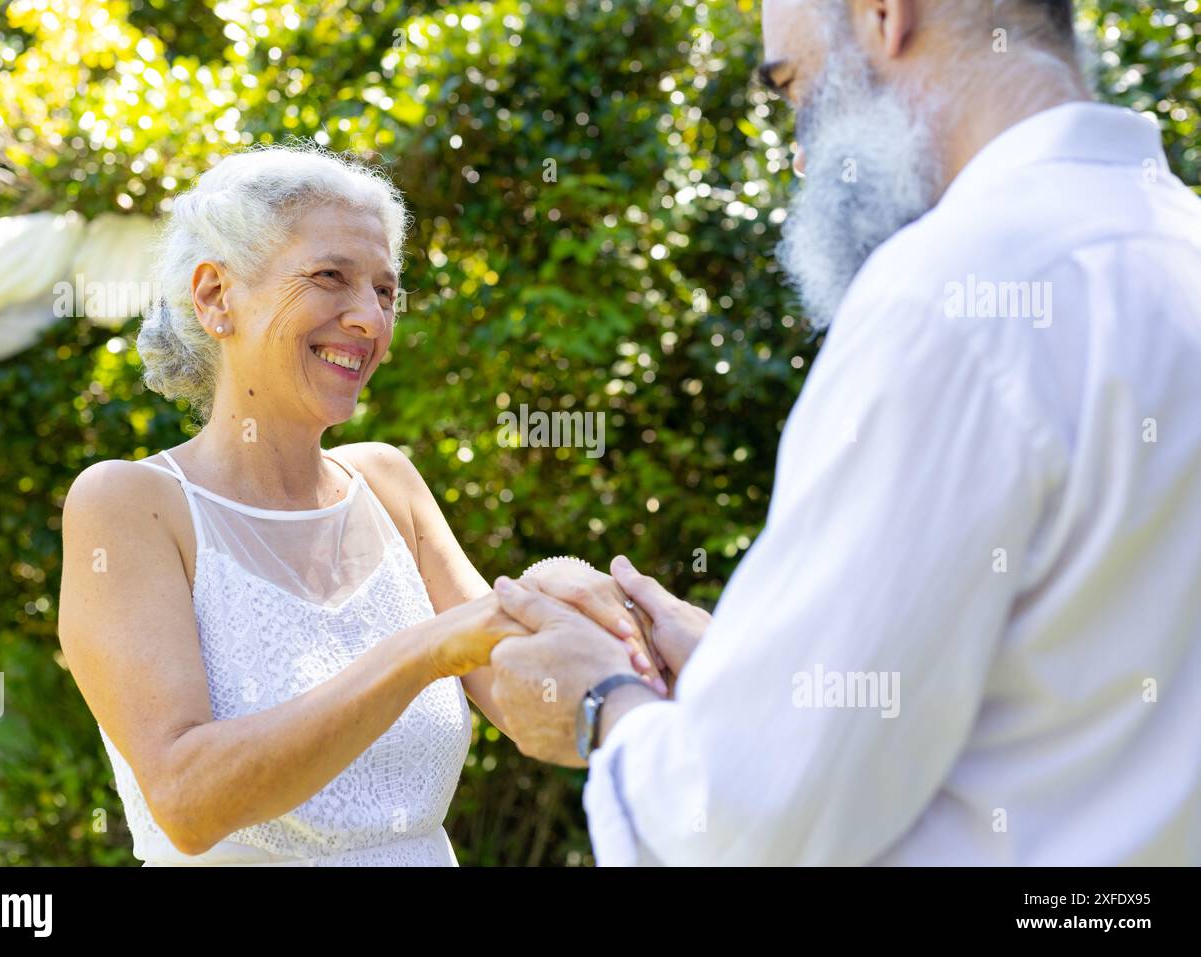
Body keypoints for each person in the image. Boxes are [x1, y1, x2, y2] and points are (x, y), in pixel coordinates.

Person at [486, 0, 1201, 865]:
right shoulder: (1171, 244)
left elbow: (750, 830)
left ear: (883, 17)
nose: (796, 151)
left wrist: (600, 702)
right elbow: (1061, 691)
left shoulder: (952, 295)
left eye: (794, 89)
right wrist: (747, 675)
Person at [57, 145, 659, 866]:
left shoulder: (388, 484)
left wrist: (599, 619)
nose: (370, 320)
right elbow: (189, 801)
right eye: (330, 277)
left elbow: (524, 692)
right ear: (216, 296)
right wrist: (423, 650)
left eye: (385, 291)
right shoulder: (130, 506)